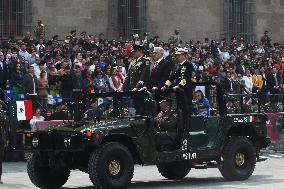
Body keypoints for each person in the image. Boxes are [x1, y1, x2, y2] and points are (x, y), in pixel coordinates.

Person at [163, 48, 194, 113]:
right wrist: (165, 86)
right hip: (179, 92)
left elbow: (186, 78)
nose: (177, 57)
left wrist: (179, 86)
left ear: (183, 55)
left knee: (186, 109)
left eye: (178, 55)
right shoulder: (177, 66)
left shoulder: (189, 65)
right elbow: (172, 77)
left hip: (186, 91)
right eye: (176, 55)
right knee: (179, 109)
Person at [0, 100, 8, 184]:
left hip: (1, 138)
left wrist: (2, 102)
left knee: (0, 159)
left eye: (0, 105)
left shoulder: (3, 114)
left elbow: (5, 127)